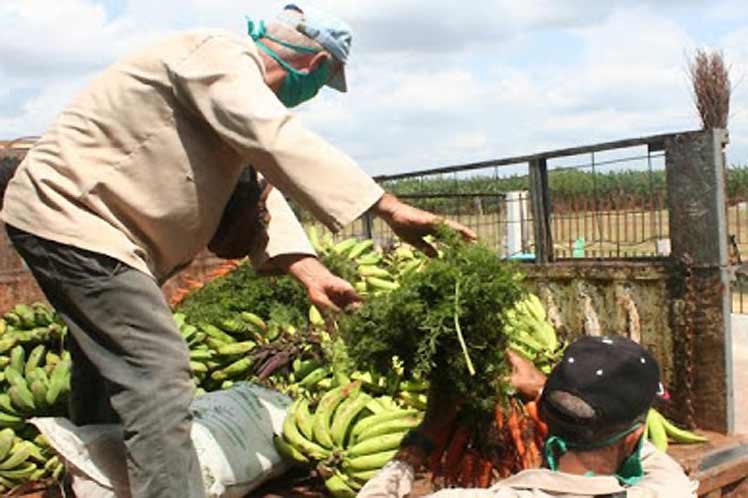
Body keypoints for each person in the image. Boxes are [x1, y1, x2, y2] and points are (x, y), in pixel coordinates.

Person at [0, 4, 475, 498]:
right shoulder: (218, 57)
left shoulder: (230, 92)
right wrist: (387, 206)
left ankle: (98, 480)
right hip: (71, 215)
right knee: (158, 371)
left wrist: (310, 272)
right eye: (323, 83)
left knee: (110, 366)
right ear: (315, 68)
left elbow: (259, 191)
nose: (310, 97)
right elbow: (272, 138)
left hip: (100, 231)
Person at [358, 336, 698, 497]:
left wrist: (423, 438)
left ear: (545, 416)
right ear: (634, 437)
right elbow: (644, 452)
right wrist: (542, 389)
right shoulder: (666, 490)